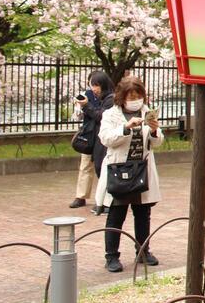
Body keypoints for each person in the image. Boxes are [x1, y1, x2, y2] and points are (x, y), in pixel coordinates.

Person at [98, 76, 163, 273]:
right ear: (122, 97)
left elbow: (157, 143)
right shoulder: (111, 114)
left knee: (143, 213)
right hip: (120, 171)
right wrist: (125, 128)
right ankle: (111, 256)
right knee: (116, 214)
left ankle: (143, 250)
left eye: (138, 95)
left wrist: (154, 131)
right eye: (131, 96)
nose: (135, 99)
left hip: (142, 169)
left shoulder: (147, 113)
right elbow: (106, 138)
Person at [69, 71, 114, 211]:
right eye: (92, 84)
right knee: (85, 165)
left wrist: (87, 106)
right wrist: (80, 107)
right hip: (89, 134)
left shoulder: (109, 98)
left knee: (102, 167)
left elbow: (101, 116)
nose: (94, 88)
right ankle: (81, 196)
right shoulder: (87, 95)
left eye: (96, 85)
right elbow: (77, 115)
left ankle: (104, 200)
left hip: (102, 136)